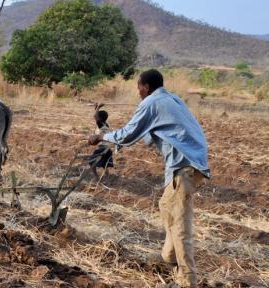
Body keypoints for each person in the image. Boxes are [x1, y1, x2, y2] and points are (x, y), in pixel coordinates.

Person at [88, 69, 210, 288]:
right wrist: (119, 134)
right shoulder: (172, 99)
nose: (138, 91)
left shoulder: (151, 103)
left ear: (146, 86)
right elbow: (145, 136)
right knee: (166, 206)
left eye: (138, 87)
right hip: (193, 162)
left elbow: (129, 135)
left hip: (184, 166)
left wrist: (102, 136)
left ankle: (187, 281)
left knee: (180, 226)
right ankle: (168, 259)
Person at [87, 104, 114, 179]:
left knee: (91, 161)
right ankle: (108, 177)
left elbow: (95, 117)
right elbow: (97, 116)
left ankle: (96, 177)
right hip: (108, 148)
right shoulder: (106, 124)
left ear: (100, 119)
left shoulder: (101, 125)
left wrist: (98, 107)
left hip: (102, 148)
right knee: (104, 164)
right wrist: (96, 108)